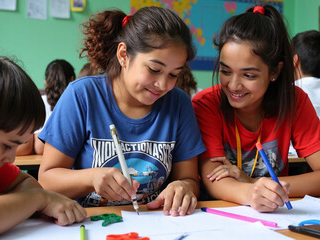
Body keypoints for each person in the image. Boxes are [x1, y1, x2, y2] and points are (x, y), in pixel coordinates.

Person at [38, 7, 205, 217]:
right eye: (154, 69)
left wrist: (184, 188)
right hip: (89, 221)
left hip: (157, 224)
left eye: (174, 75)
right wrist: (92, 178)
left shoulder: (179, 104)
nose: (163, 85)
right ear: (123, 54)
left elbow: (189, 179)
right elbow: (46, 179)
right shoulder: (82, 96)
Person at [192, 4, 320, 212]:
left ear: (275, 71)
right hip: (222, 214)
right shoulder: (207, 103)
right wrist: (252, 193)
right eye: (225, 71)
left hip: (274, 217)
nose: (233, 85)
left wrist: (255, 184)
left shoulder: (294, 101)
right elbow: (213, 180)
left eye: (248, 75)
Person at [0, 55, 86, 239]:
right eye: (7, 146)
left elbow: (28, 183)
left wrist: (33, 199)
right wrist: (39, 199)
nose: (11, 159)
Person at [34, 59, 76, 154]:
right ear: (72, 79)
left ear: (45, 82)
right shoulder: (76, 102)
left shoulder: (39, 102)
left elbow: (39, 148)